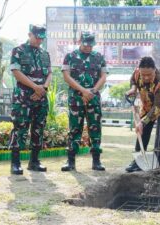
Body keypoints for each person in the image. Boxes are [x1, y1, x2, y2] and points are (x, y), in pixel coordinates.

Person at [8, 25, 52, 175]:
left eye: (42, 37)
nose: (39, 40)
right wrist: (35, 87)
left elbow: (50, 73)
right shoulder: (18, 50)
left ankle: (34, 161)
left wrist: (43, 88)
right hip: (23, 97)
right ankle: (15, 163)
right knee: (20, 129)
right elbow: (16, 72)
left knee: (38, 129)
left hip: (41, 98)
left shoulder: (45, 53)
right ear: (29, 34)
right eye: (37, 36)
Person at [61, 31, 107, 172]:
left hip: (93, 98)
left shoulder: (99, 57)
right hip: (76, 98)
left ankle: (96, 161)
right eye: (86, 44)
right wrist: (83, 90)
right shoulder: (70, 57)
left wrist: (92, 91)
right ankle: (71, 161)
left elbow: (103, 76)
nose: (88, 47)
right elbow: (66, 76)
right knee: (75, 128)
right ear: (80, 41)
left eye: (91, 45)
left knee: (95, 128)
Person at [125, 56, 160, 173]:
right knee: (142, 131)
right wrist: (133, 88)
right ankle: (138, 161)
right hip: (147, 105)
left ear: (155, 70)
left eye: (149, 75)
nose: (146, 77)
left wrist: (143, 121)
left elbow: (158, 107)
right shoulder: (137, 73)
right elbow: (133, 80)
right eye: (144, 75)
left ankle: (157, 163)